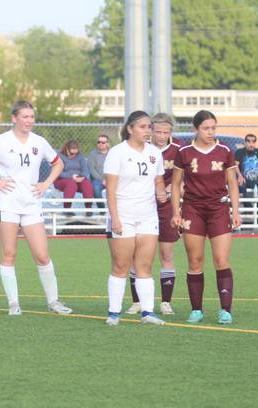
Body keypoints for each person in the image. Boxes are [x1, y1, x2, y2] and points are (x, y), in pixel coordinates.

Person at [0, 100, 72, 316]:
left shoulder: (39, 142)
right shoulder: (1, 141)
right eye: (24, 117)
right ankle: (14, 304)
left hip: (31, 204)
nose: (29, 121)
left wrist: (45, 184)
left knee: (42, 255)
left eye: (32, 117)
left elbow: (58, 163)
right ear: (14, 118)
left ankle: (54, 302)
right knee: (9, 254)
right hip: (7, 204)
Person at [172, 110, 241, 325]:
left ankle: (225, 311)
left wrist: (235, 211)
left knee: (221, 260)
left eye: (213, 128)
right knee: (195, 261)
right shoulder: (184, 152)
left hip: (219, 209)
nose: (210, 132)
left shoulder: (225, 151)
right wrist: (176, 211)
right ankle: (196, 310)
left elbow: (232, 183)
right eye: (206, 128)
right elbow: (175, 184)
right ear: (196, 129)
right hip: (193, 209)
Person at [102, 111, 168, 326]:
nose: (147, 131)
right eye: (143, 127)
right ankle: (114, 313)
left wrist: (160, 191)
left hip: (148, 216)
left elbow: (158, 180)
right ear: (130, 129)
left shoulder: (154, 153)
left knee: (145, 266)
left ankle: (147, 312)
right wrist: (116, 219)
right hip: (123, 215)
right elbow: (110, 190)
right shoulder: (117, 153)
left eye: (149, 126)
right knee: (121, 265)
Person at [126, 113, 180, 315]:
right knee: (136, 255)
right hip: (141, 206)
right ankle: (137, 301)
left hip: (166, 207)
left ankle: (165, 302)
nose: (161, 135)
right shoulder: (140, 150)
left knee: (166, 253)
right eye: (157, 131)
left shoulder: (177, 151)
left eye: (165, 132)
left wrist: (171, 191)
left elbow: (183, 179)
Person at [54, 140, 95, 213]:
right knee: (71, 184)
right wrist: (71, 177)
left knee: (87, 184)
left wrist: (82, 177)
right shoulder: (59, 156)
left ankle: (88, 209)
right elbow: (58, 172)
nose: (74, 155)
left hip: (78, 179)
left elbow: (85, 170)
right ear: (67, 149)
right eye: (72, 153)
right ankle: (67, 210)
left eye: (76, 153)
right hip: (61, 180)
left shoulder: (80, 156)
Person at [234, 133, 258, 207]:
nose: (251, 144)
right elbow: (235, 165)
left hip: (257, 180)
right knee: (241, 185)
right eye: (248, 141)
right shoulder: (240, 152)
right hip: (244, 180)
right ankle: (248, 207)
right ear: (245, 142)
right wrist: (239, 176)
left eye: (253, 141)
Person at [87, 134, 110, 209]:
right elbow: (92, 170)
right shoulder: (92, 154)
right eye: (99, 142)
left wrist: (109, 180)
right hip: (97, 179)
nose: (100, 144)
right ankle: (102, 209)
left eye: (103, 142)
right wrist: (102, 180)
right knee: (96, 189)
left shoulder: (113, 153)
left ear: (107, 144)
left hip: (111, 179)